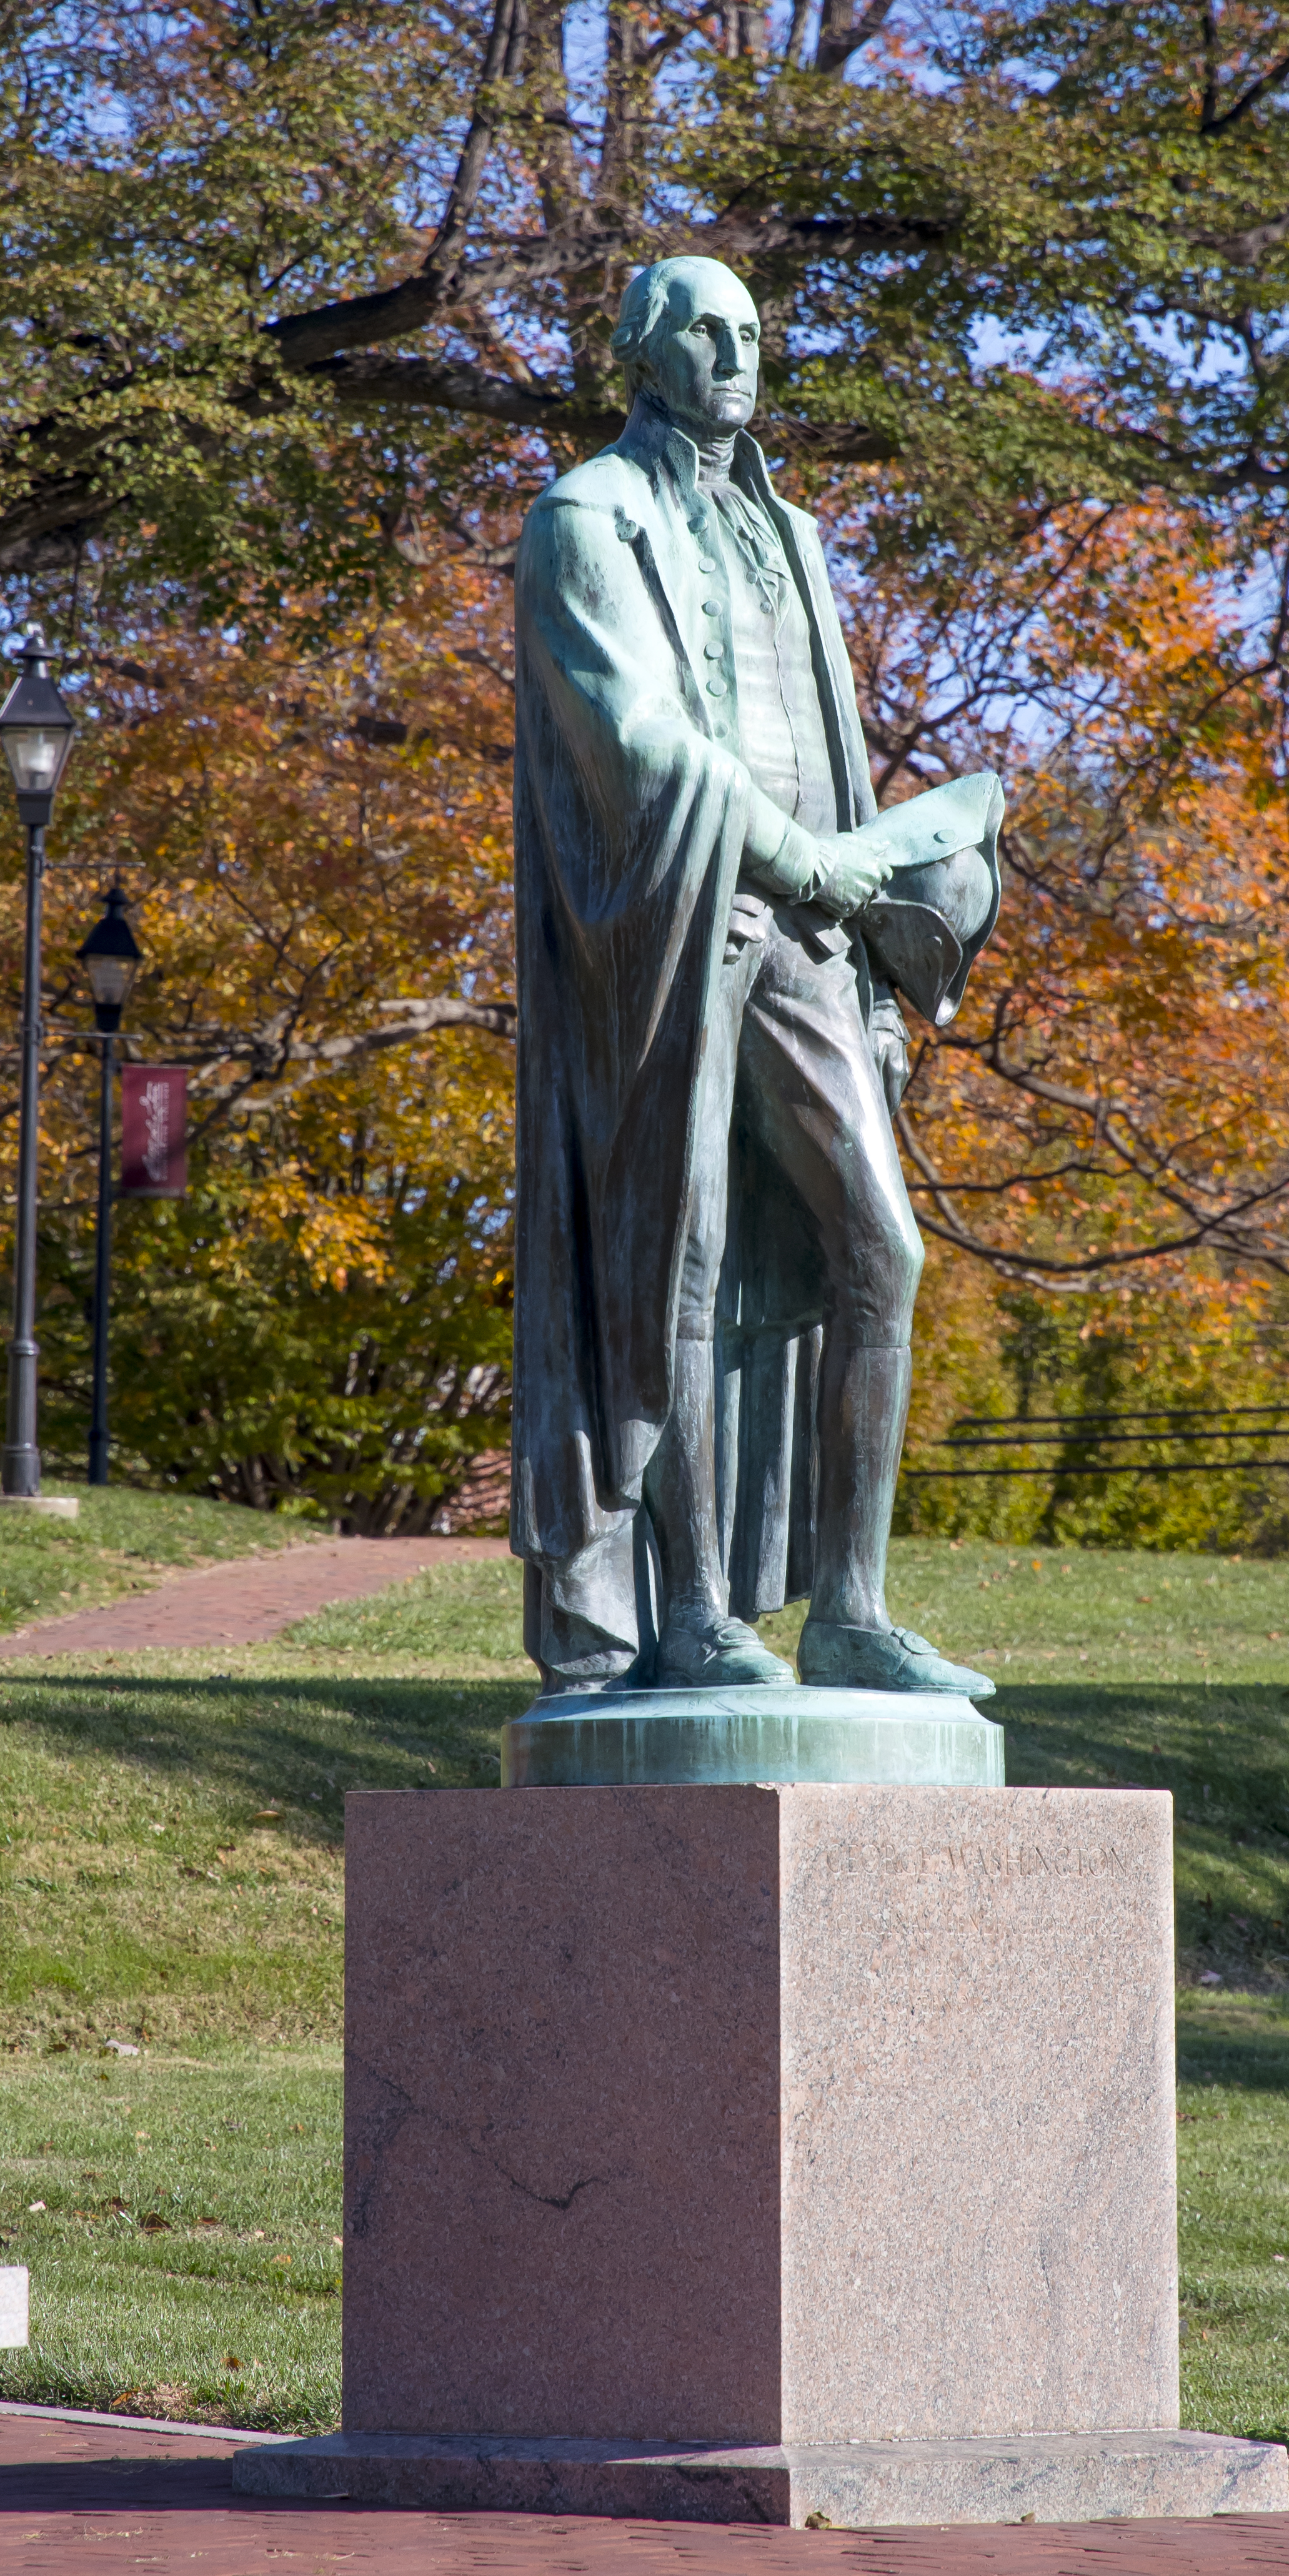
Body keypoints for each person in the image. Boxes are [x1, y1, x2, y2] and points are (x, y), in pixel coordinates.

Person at [510, 251, 1000, 1697]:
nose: (734, 355)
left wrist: (870, 924)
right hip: (674, 932)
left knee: (881, 1247)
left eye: (749, 332)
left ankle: (849, 1607)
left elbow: (827, 748)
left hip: (813, 932)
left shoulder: (790, 530)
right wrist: (797, 855)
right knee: (688, 1261)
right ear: (644, 358)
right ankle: (698, 1615)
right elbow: (637, 742)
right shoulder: (582, 520)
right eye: (704, 333)